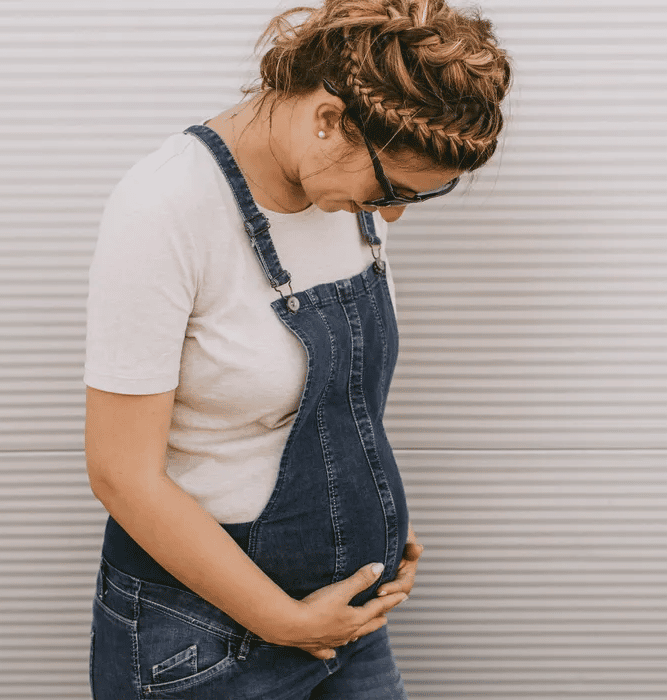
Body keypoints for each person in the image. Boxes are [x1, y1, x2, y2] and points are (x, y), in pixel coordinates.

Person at [82, 0, 510, 697]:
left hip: (342, 611)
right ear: (328, 121)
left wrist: (369, 520)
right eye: (393, 187)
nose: (392, 213)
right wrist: (280, 619)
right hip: (199, 637)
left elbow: (325, 404)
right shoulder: (164, 209)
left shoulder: (343, 193)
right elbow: (120, 474)